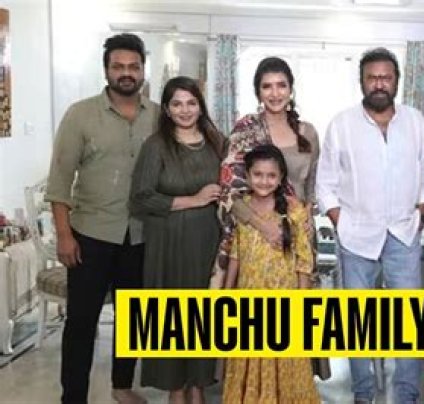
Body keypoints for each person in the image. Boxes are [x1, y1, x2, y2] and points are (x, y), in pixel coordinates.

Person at [45, 33, 159, 404]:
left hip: (140, 236)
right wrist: (64, 235)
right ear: (106, 70)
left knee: (131, 319)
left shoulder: (158, 116)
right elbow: (60, 180)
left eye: (133, 66)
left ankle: (121, 386)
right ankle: (73, 397)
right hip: (90, 235)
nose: (126, 73)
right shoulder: (80, 115)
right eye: (118, 66)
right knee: (81, 322)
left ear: (143, 70)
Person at [315, 47, 424, 404]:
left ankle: (407, 394)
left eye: (386, 77)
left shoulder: (414, 121)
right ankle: (363, 393)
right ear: (362, 82)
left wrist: (421, 212)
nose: (379, 83)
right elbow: (325, 184)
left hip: (403, 233)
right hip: (356, 236)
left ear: (397, 81)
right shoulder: (342, 124)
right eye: (372, 77)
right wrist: (342, 222)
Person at [130, 76, 225, 404]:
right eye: (177, 104)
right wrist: (193, 200)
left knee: (204, 316)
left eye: (191, 103)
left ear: (201, 106)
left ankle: (198, 384)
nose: (185, 110)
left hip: (208, 244)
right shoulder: (155, 146)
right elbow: (140, 198)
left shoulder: (216, 142)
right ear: (167, 110)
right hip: (168, 247)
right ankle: (176, 387)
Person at [221, 144, 320, 404]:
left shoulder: (293, 209)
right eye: (258, 174)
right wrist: (227, 291)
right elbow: (236, 253)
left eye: (271, 175)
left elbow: (304, 259)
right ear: (248, 175)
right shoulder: (243, 208)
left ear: (280, 178)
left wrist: (302, 300)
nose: (264, 181)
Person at [213, 56, 319, 285]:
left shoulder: (307, 133)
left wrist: (307, 213)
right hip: (254, 233)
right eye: (267, 86)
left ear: (291, 90)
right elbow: (229, 191)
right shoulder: (246, 130)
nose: (275, 93)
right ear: (258, 93)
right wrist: (264, 226)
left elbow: (312, 182)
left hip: (296, 231)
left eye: (281, 85)